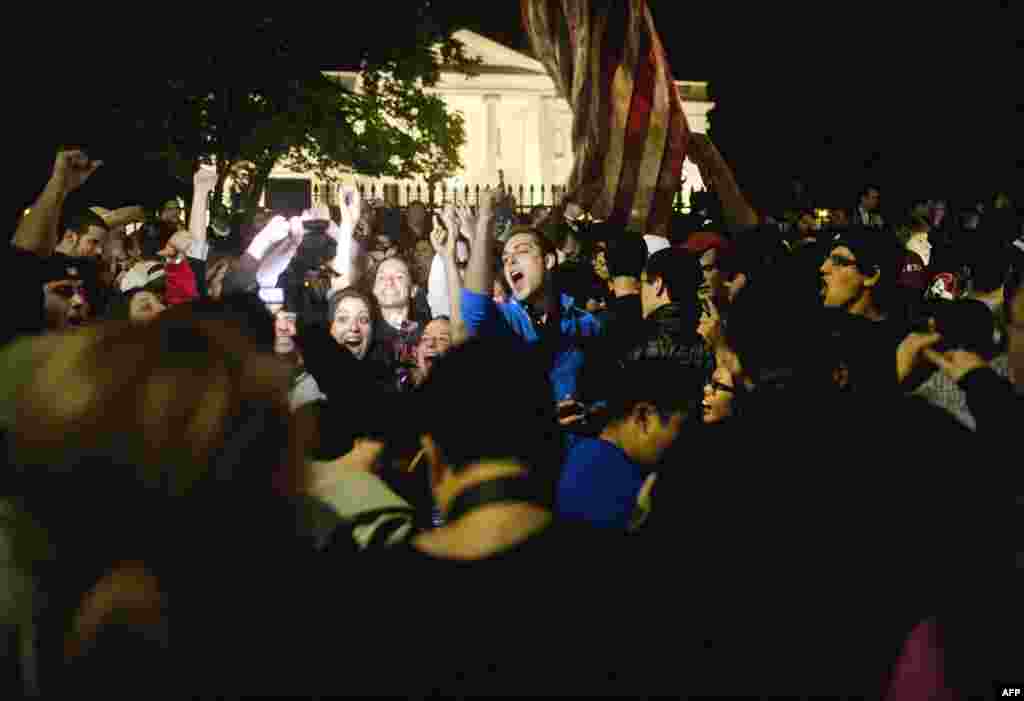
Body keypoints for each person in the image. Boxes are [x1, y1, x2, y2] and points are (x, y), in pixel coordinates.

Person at [557, 360, 703, 531]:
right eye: (683, 428)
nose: (686, 443)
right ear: (644, 417)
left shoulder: (578, 455)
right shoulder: (629, 497)